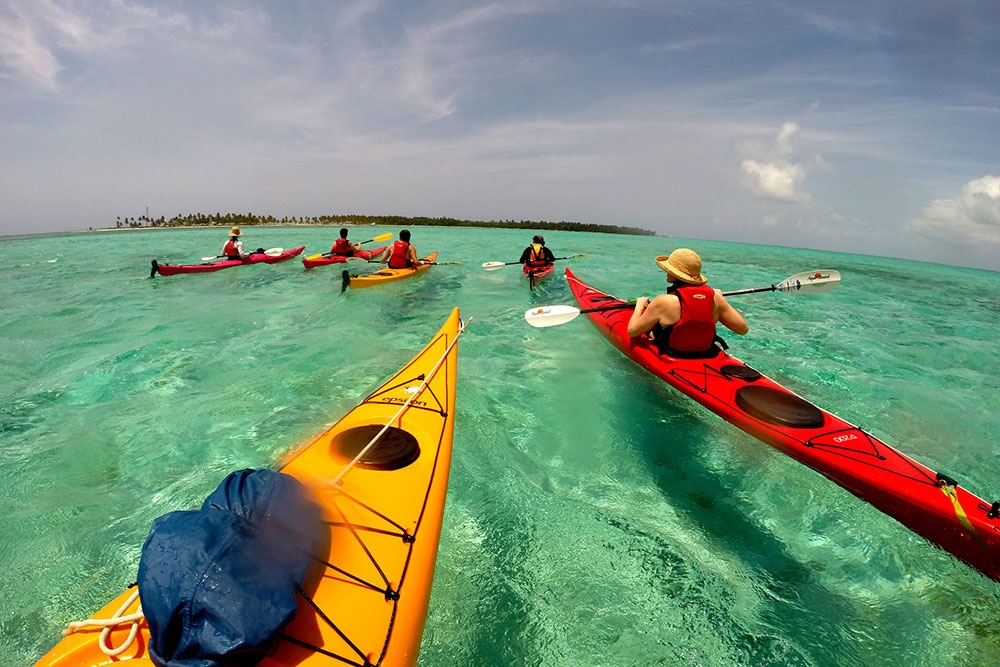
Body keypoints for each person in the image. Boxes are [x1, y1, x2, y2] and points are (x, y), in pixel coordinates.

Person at [627, 248, 748, 356]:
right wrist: (721, 300)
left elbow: (633, 332)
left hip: (673, 353)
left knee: (653, 329)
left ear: (676, 275)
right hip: (706, 353)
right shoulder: (715, 299)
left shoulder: (663, 301)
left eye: (669, 270)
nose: (666, 272)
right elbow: (743, 329)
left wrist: (639, 305)